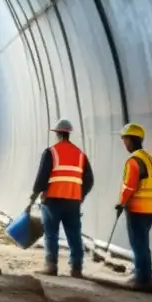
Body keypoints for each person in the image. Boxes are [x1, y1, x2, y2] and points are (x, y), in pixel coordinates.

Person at [30, 118, 94, 278]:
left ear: (57, 133)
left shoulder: (51, 152)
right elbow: (89, 179)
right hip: (73, 202)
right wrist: (81, 195)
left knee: (51, 234)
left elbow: (42, 177)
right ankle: (76, 269)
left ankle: (51, 266)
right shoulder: (81, 155)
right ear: (69, 134)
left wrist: (34, 195)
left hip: (53, 200)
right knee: (74, 234)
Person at [117, 122, 152, 292]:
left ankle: (143, 281)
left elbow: (129, 186)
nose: (124, 143)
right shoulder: (150, 159)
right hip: (151, 208)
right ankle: (143, 277)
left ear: (130, 140)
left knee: (139, 245)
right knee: (143, 245)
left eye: (125, 139)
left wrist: (121, 204)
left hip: (138, 207)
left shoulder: (134, 160)